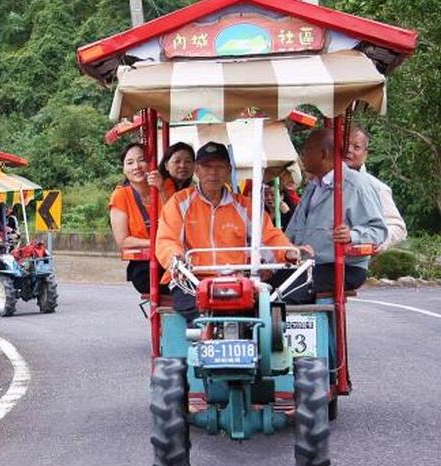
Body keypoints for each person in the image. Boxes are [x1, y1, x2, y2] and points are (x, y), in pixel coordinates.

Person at [156, 141, 298, 321]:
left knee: (270, 301)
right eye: (207, 167)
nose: (213, 173)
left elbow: (270, 237)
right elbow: (167, 239)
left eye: (219, 167)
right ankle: (202, 340)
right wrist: (175, 258)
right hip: (193, 279)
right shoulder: (179, 202)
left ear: (229, 170)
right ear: (197, 170)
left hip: (238, 280)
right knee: (199, 313)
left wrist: (288, 252)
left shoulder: (245, 206)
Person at [277, 128, 388, 302]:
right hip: (307, 266)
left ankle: (288, 329)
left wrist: (351, 236)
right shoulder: (313, 186)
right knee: (263, 288)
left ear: (323, 153)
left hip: (343, 267)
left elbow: (379, 231)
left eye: (306, 151)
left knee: (284, 295)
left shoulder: (356, 185)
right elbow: (293, 230)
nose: (302, 156)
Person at [344, 126, 407, 251]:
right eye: (345, 145)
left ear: (365, 154)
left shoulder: (376, 187)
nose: (349, 150)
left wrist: (376, 241)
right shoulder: (323, 183)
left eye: (356, 147)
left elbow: (398, 228)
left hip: (356, 262)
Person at [109, 142, 159, 294]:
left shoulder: (162, 188)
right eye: (130, 162)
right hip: (144, 266)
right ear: (124, 169)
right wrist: (156, 243)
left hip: (170, 260)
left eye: (141, 160)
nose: (136, 166)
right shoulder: (121, 196)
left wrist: (162, 188)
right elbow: (123, 241)